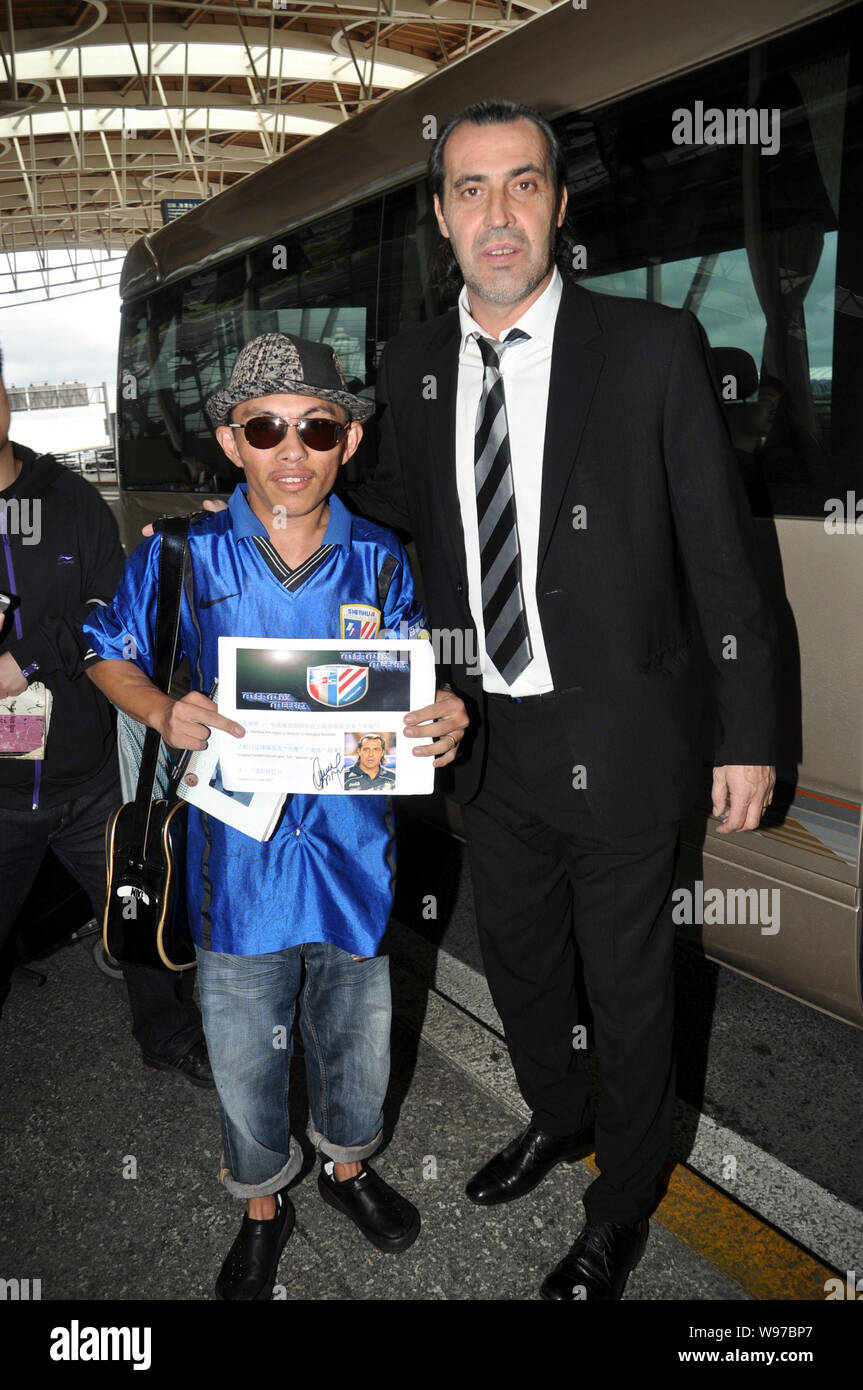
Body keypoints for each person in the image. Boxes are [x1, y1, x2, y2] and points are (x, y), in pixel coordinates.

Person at [349, 101, 778, 1300]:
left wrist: (747, 729)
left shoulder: (647, 348)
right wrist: (272, 498)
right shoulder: (414, 367)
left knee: (631, 985)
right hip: (487, 740)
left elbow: (720, 562)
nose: (497, 215)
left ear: (557, 204)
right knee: (525, 965)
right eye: (471, 191)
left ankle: (621, 1195)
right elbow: (401, 531)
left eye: (521, 186)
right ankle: (555, 1112)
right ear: (441, 217)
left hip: (625, 735)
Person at [83, 333, 469, 1300]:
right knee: (246, 1055)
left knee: (357, 1037)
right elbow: (103, 648)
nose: (290, 450)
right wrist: (161, 708)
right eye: (265, 427)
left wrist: (444, 714)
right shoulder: (185, 551)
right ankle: (261, 1200)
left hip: (354, 858)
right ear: (231, 440)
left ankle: (346, 1166)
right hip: (234, 865)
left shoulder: (381, 558)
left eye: (315, 427)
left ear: (349, 439)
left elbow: (412, 679)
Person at [0, 345, 213, 1088]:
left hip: (87, 778)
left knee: (141, 916)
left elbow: (106, 608)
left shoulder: (69, 498)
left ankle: (169, 1035)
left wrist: (25, 658)